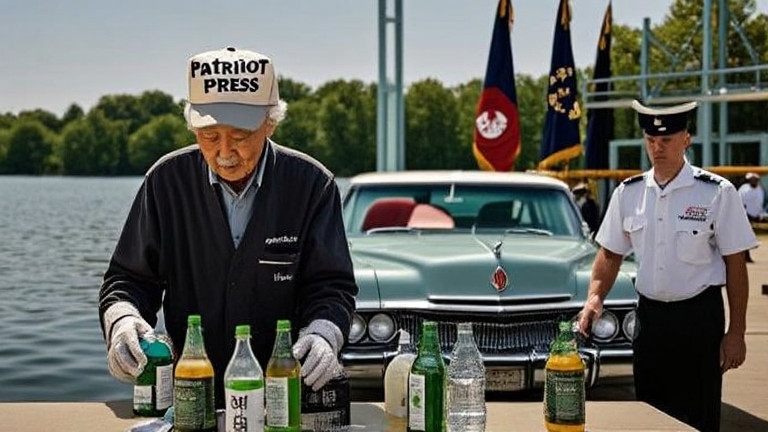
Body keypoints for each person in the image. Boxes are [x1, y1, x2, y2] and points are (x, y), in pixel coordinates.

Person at [98, 46, 358, 407]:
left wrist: (324, 334)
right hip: (190, 394)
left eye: (239, 136)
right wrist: (123, 322)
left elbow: (331, 286)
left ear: (270, 123)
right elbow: (129, 279)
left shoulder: (313, 185)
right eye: (208, 135)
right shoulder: (164, 182)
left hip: (284, 396)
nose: (224, 152)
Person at [577, 100, 758, 432]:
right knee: (650, 413)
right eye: (651, 141)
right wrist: (594, 298)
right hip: (650, 320)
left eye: (667, 140)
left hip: (699, 320)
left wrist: (737, 333)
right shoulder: (628, 193)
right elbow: (610, 254)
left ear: (686, 139)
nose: (657, 148)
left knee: (698, 415)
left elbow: (736, 264)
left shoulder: (716, 192)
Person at [738, 172, 765, 263]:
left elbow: (759, 204)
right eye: (751, 179)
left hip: (756, 215)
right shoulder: (744, 189)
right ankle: (746, 256)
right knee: (745, 236)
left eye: (755, 179)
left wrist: (760, 214)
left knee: (748, 236)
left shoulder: (760, 189)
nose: (753, 181)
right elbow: (739, 201)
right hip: (745, 215)